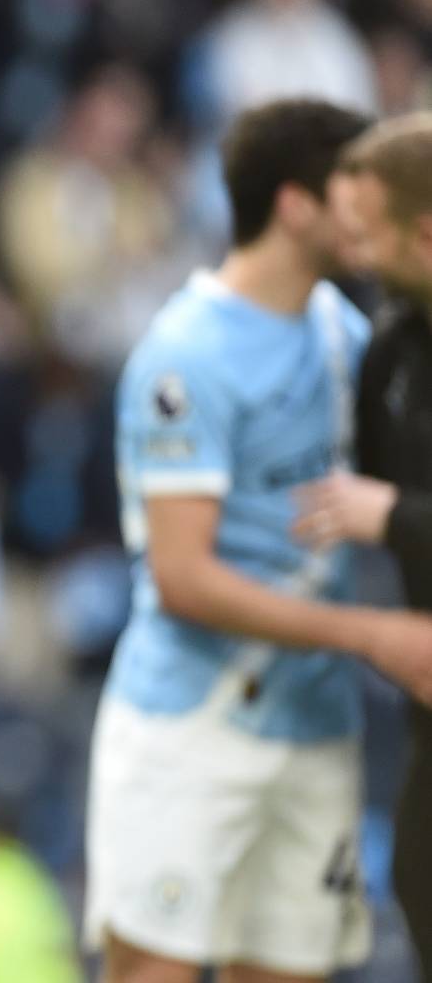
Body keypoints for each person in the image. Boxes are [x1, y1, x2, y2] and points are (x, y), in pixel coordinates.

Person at [87, 98, 432, 983]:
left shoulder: (348, 337)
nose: (368, 208)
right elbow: (182, 579)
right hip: (192, 724)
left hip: (316, 727)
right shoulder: (185, 355)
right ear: (298, 205)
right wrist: (377, 636)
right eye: (350, 184)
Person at [298, 114, 432, 974]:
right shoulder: (395, 347)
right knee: (420, 885)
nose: (353, 252)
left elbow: (381, 506)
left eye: (366, 232)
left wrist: (393, 516)